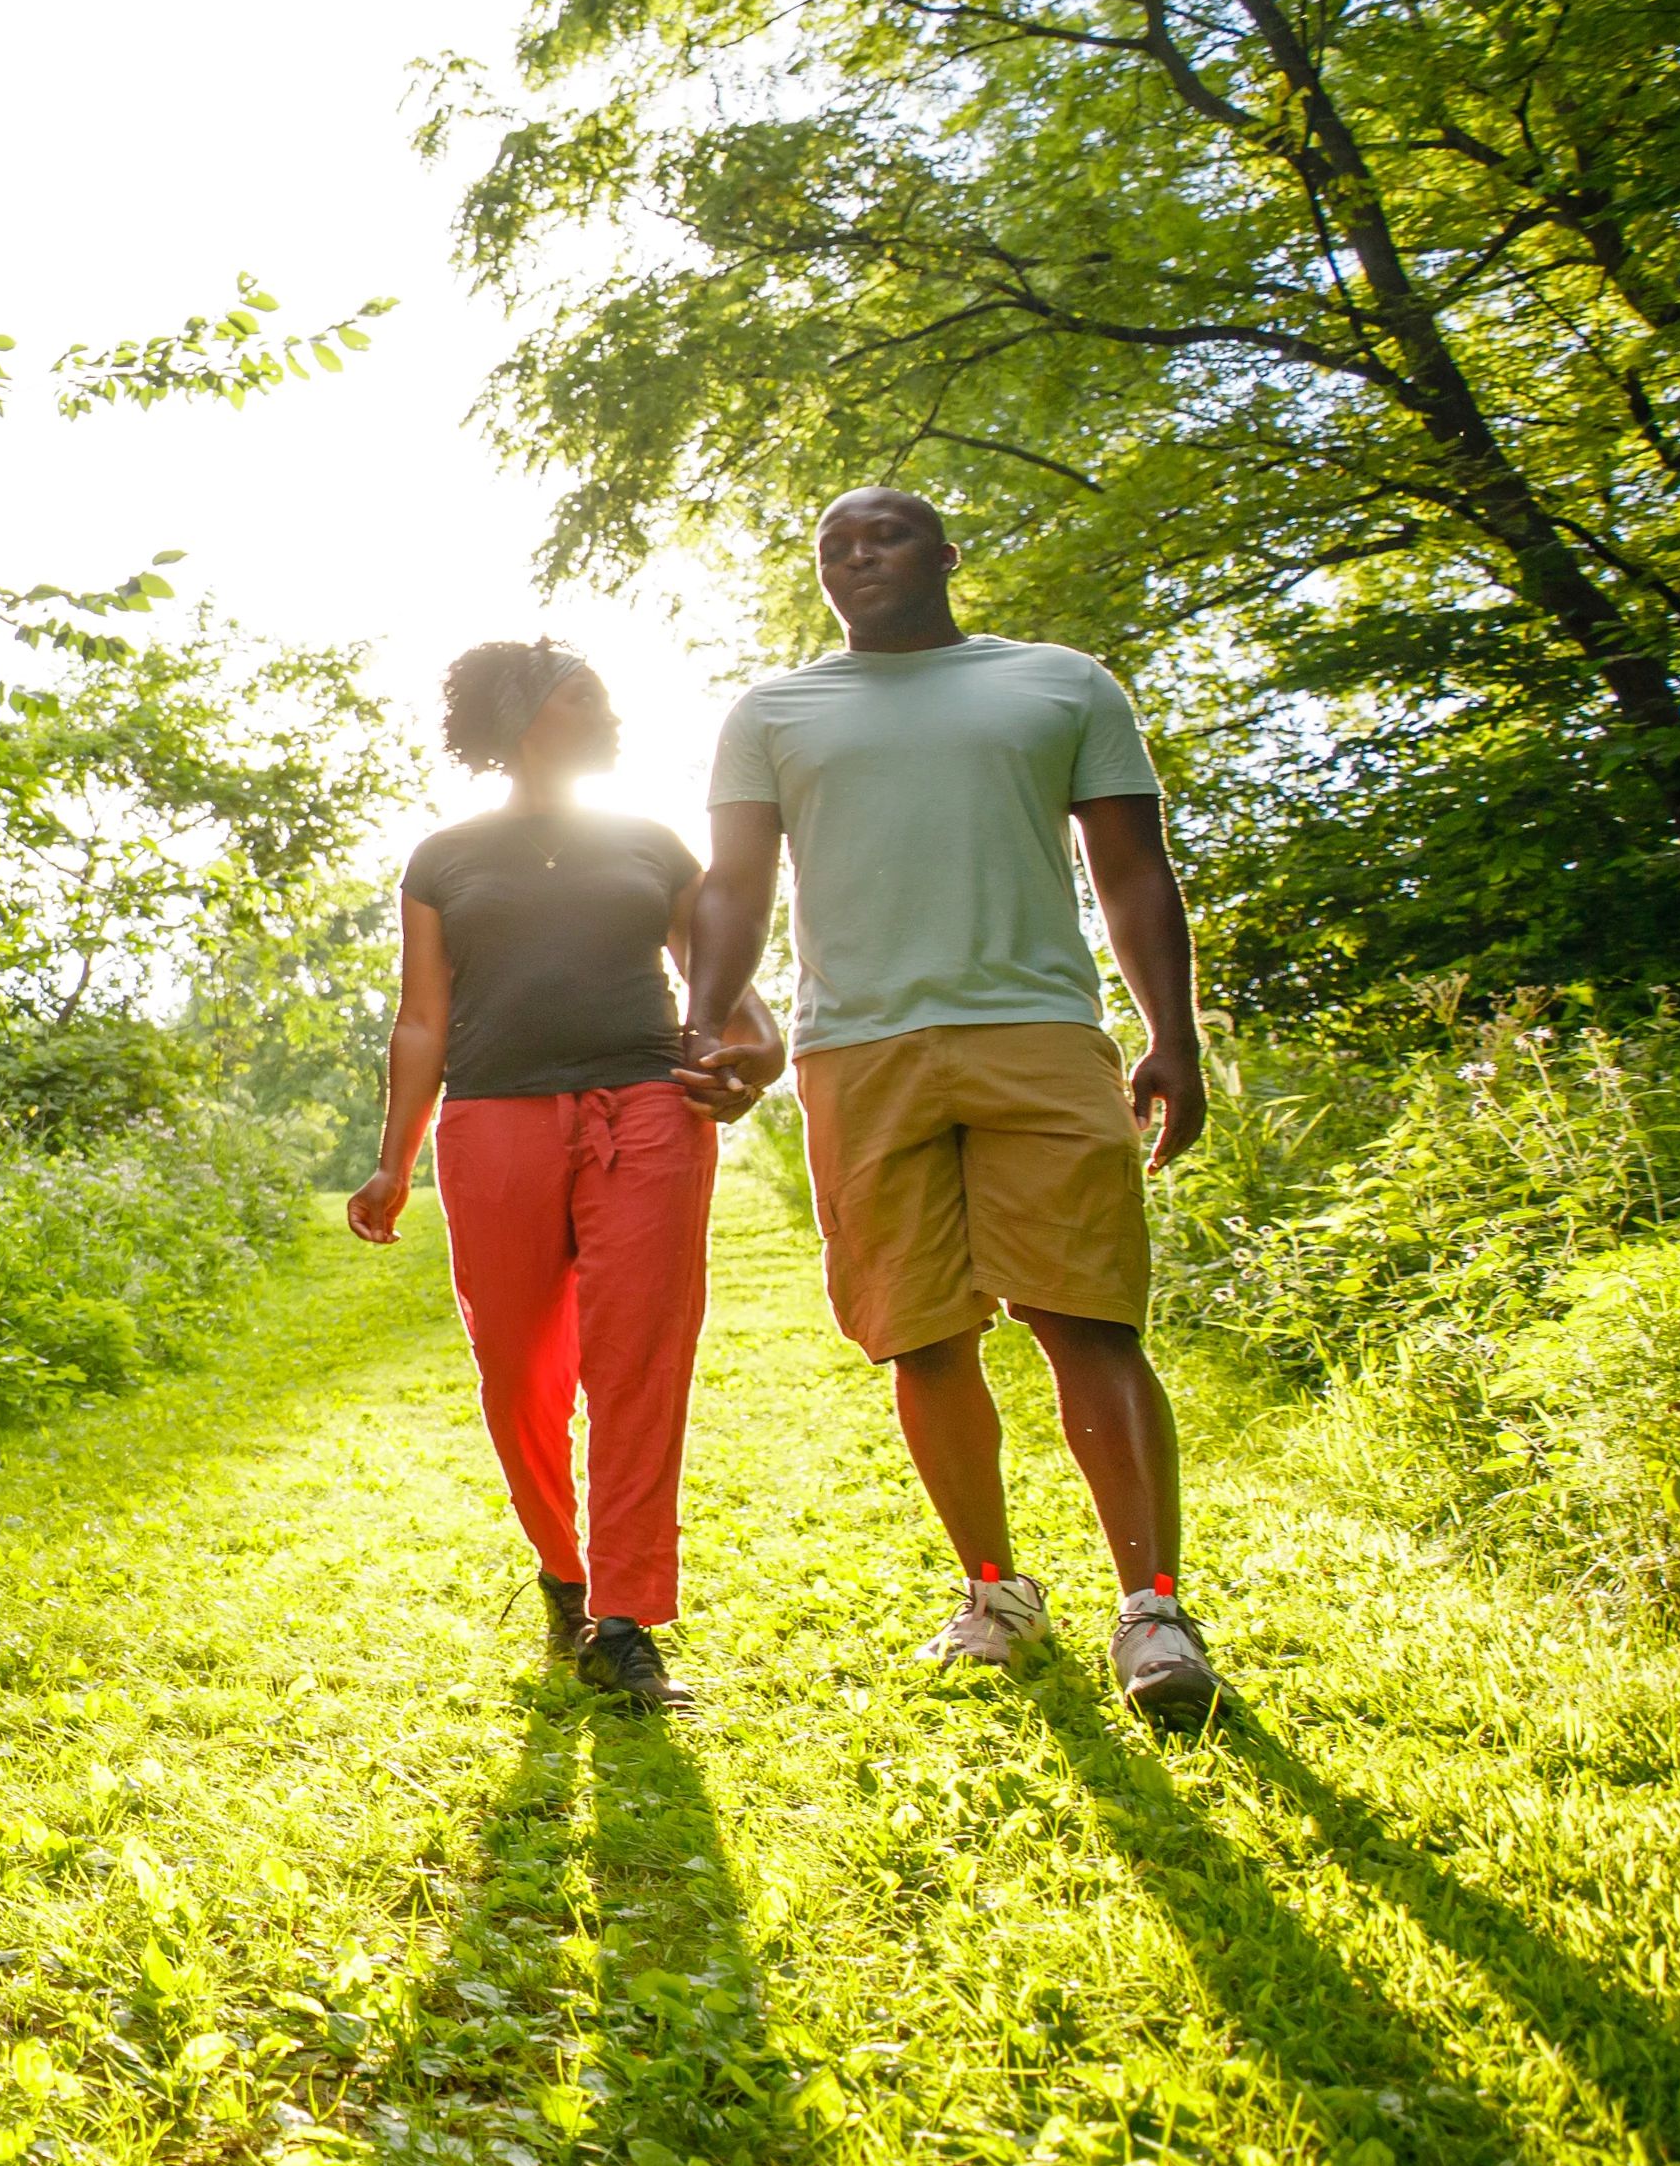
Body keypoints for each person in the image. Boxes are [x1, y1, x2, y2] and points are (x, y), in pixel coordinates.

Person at [683, 488, 1220, 1729]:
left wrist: (1171, 1034)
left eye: (881, 535)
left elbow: (1130, 868)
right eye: (831, 545)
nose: (853, 557)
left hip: (1035, 1030)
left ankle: (1150, 1606)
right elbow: (730, 883)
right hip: (855, 1050)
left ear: (943, 555)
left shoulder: (1058, 683)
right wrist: (706, 1017)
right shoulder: (773, 710)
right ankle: (992, 1587)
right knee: (919, 1333)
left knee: (1085, 1315)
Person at [347, 641, 781, 1714]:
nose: (606, 708)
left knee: (637, 1358)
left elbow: (717, 976)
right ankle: (566, 1570)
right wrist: (392, 1158)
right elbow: (421, 1018)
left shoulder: (650, 842)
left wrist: (757, 1044)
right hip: (494, 1118)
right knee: (518, 1373)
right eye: (582, 693)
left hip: (647, 1107)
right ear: (522, 713)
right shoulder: (441, 858)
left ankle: (624, 1621)